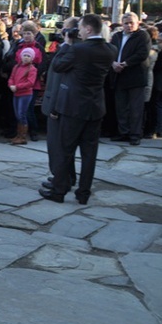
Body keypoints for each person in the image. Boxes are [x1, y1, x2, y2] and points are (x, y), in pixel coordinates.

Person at [39, 14, 116, 205]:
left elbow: (57, 66)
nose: (78, 30)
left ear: (88, 29)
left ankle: (58, 191)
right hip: (96, 107)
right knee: (90, 154)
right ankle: (83, 193)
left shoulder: (78, 49)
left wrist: (66, 44)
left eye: (81, 27)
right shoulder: (110, 49)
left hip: (73, 107)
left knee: (65, 150)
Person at [41, 18, 79, 190]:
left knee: (58, 145)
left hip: (59, 103)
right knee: (57, 145)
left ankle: (60, 177)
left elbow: (60, 76)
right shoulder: (68, 49)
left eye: (65, 29)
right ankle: (65, 176)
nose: (61, 32)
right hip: (56, 100)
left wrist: (55, 106)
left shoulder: (71, 50)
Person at [110, 12, 152, 145]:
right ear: (122, 24)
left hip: (135, 76)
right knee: (121, 107)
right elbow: (111, 51)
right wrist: (113, 63)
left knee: (135, 107)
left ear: (138, 23)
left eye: (131, 23)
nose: (129, 25)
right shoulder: (117, 36)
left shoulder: (143, 36)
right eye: (126, 23)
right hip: (119, 76)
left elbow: (142, 53)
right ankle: (124, 132)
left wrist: (125, 63)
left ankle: (135, 134)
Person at [7, 47, 38, 145]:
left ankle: (23, 136)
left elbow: (30, 82)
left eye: (28, 56)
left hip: (25, 94)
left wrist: (17, 86)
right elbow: (11, 77)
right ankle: (18, 135)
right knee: (17, 114)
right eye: (24, 55)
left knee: (22, 114)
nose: (26, 57)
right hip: (16, 93)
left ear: (32, 58)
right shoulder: (16, 67)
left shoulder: (32, 69)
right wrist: (11, 85)